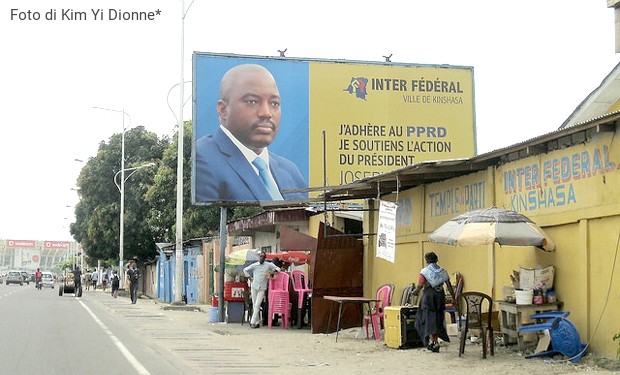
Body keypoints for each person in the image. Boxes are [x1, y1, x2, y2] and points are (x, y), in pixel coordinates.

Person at [195, 64, 307, 202]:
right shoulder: (200, 159)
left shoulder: (290, 171)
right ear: (223, 110)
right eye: (252, 101)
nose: (266, 113)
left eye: (274, 103)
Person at [412, 252, 455, 353]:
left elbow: (420, 286)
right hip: (440, 297)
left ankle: (433, 341)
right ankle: (434, 341)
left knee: (428, 320)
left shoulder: (424, 271)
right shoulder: (442, 271)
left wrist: (414, 293)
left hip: (429, 298)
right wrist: (454, 298)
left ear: (427, 260)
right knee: (438, 319)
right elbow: (449, 285)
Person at [243, 252, 280, 328]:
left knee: (257, 305)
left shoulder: (268, 265)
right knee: (254, 304)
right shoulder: (255, 265)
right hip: (254, 287)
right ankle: (256, 322)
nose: (261, 258)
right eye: (260, 256)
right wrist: (250, 277)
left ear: (265, 258)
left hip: (262, 288)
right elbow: (245, 270)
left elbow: (278, 268)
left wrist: (273, 271)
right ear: (259, 257)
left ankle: (252, 322)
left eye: (263, 257)